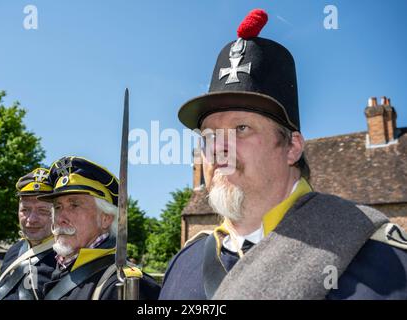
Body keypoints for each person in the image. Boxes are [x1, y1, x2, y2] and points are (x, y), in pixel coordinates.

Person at [159, 8, 407, 300]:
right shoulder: (183, 265)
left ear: (292, 147)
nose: (218, 148)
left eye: (241, 128)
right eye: (210, 135)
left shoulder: (384, 263)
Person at [38, 156, 160, 300]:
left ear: (105, 219)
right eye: (58, 207)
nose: (61, 218)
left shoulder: (126, 285)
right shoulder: (57, 269)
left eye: (74, 205)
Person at [0, 168, 56, 300]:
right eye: (25, 210)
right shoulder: (14, 251)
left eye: (43, 211)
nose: (31, 219)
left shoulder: (66, 257)